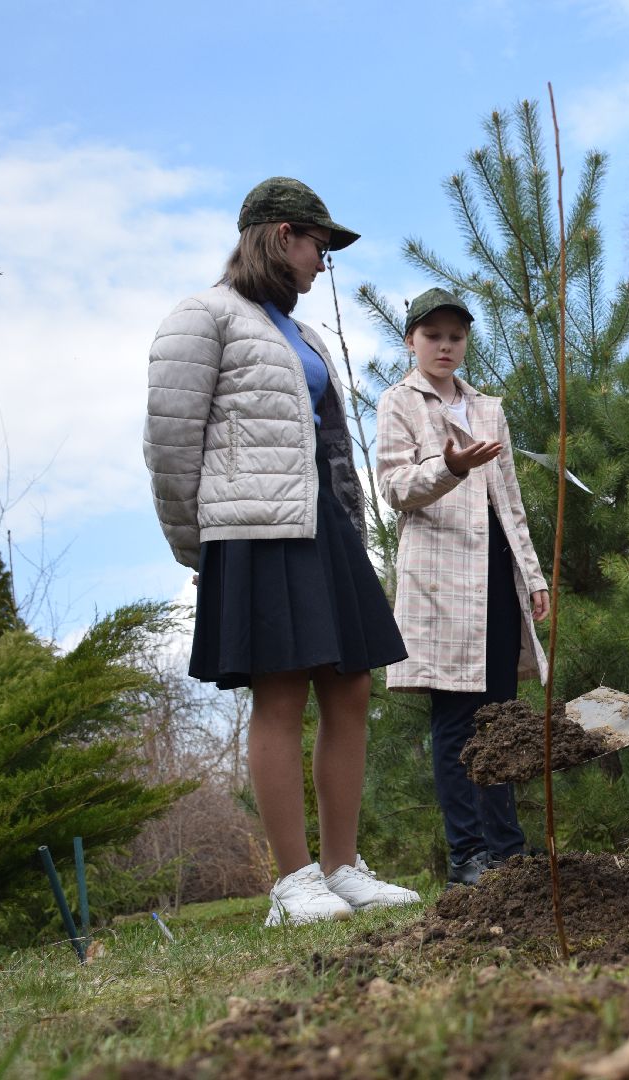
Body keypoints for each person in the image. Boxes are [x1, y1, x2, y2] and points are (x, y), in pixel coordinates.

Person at [145, 177, 419, 925]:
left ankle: (342, 869)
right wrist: (198, 547)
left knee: (351, 687)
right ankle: (293, 883)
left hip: (323, 527)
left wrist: (351, 528)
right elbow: (169, 443)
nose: (323, 262)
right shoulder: (202, 316)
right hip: (253, 528)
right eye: (318, 246)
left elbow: (329, 445)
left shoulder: (305, 336)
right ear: (280, 236)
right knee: (281, 692)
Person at [375, 288, 551, 887]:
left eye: (455, 336)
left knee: (500, 718)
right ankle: (467, 855)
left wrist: (532, 575)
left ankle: (508, 850)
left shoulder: (487, 408)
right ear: (411, 341)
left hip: (497, 575)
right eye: (432, 336)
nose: (445, 346)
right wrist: (450, 467)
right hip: (440, 580)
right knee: (456, 720)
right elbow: (393, 487)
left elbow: (510, 500)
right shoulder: (398, 402)